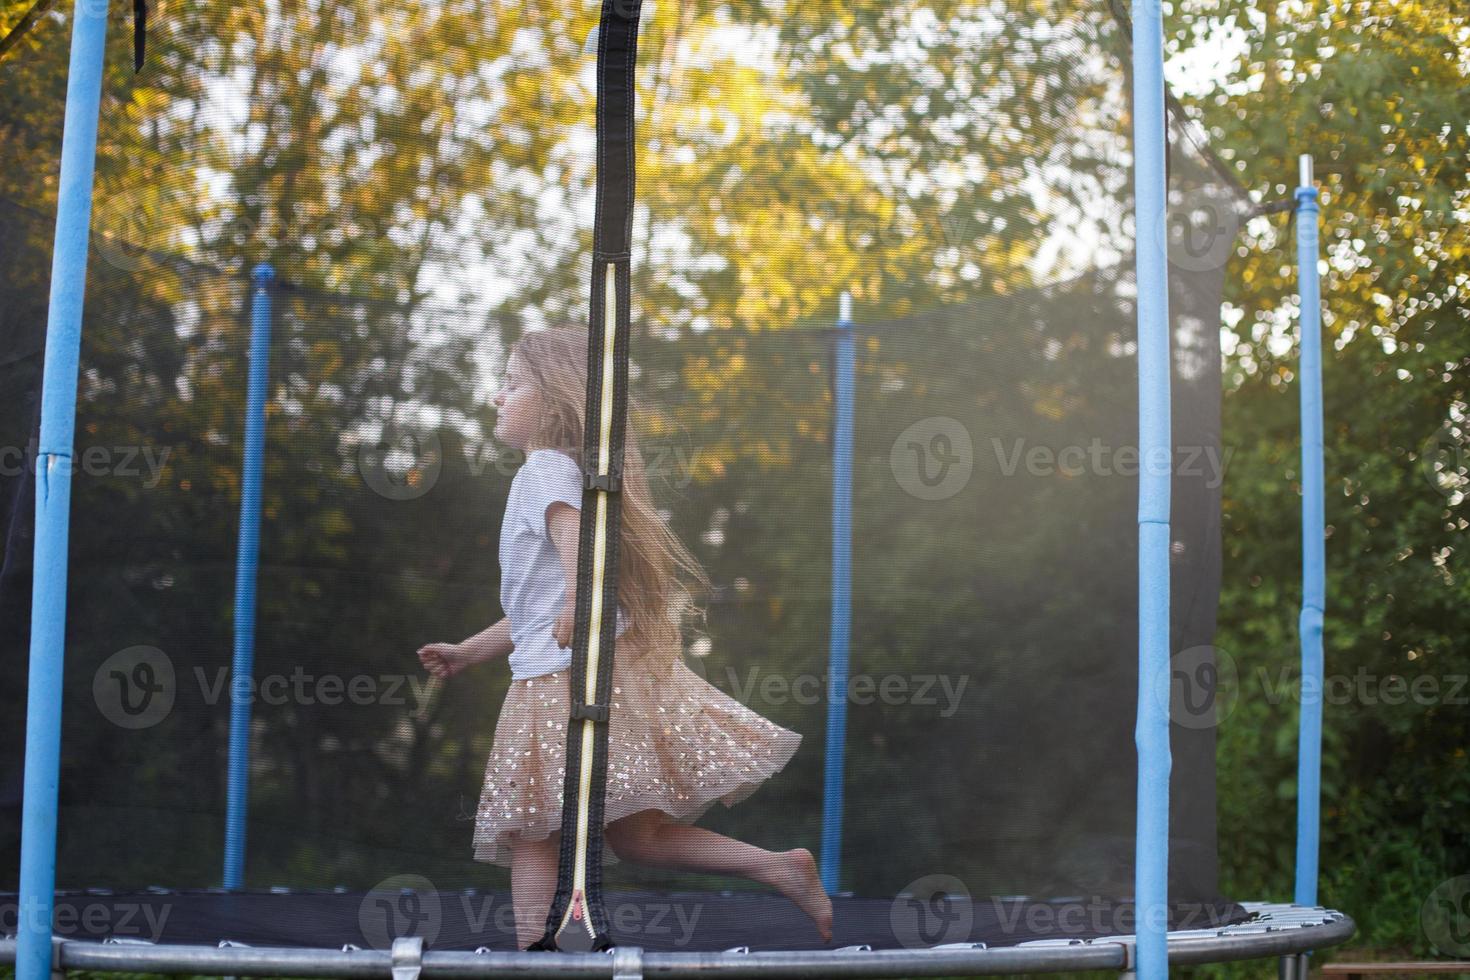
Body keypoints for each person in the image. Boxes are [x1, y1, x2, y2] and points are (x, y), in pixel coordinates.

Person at [417, 327, 833, 949]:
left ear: (555, 400)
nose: (496, 398)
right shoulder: (549, 472)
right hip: (565, 669)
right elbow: (536, 613)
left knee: (532, 827)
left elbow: (586, 553)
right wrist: (468, 652)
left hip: (562, 683)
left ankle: (535, 955)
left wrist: (581, 604)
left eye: (511, 384)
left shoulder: (545, 470)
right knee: (635, 836)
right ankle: (776, 865)